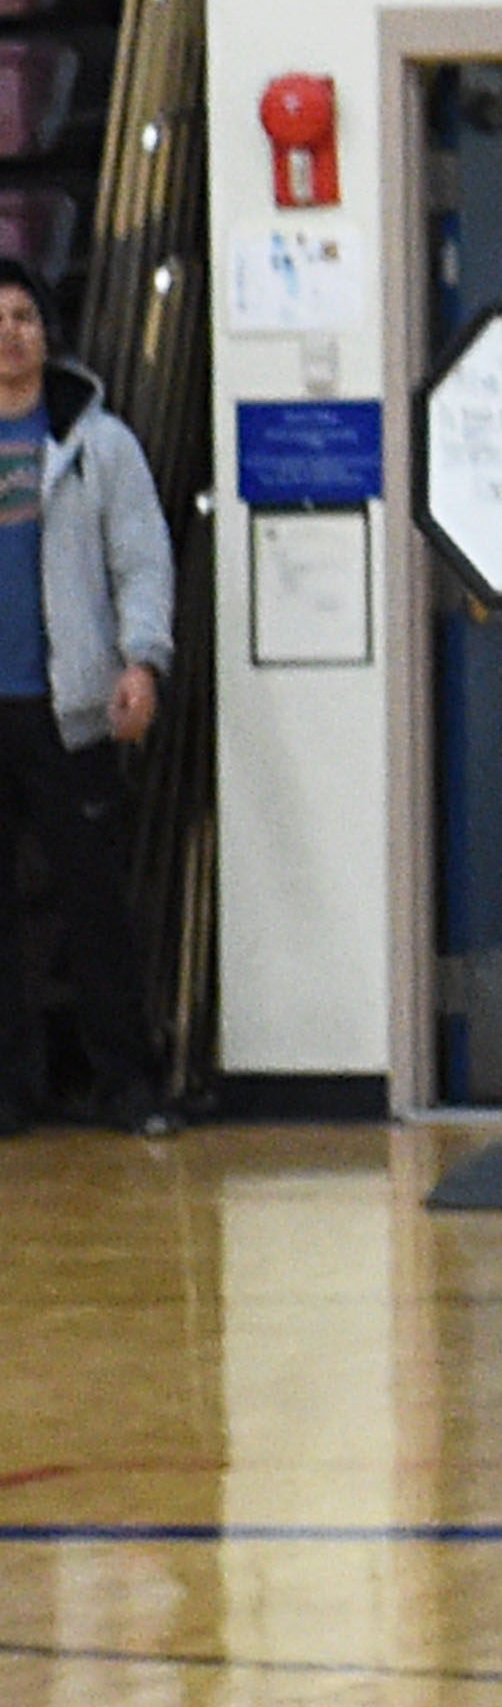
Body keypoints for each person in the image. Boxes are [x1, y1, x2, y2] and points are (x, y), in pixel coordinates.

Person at [0, 254, 175, 1138]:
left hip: (69, 709)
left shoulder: (98, 445)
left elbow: (141, 562)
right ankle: (10, 1090)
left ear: (47, 333)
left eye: (24, 315)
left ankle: (126, 1084)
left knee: (96, 904)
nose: (9, 333)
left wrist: (140, 660)